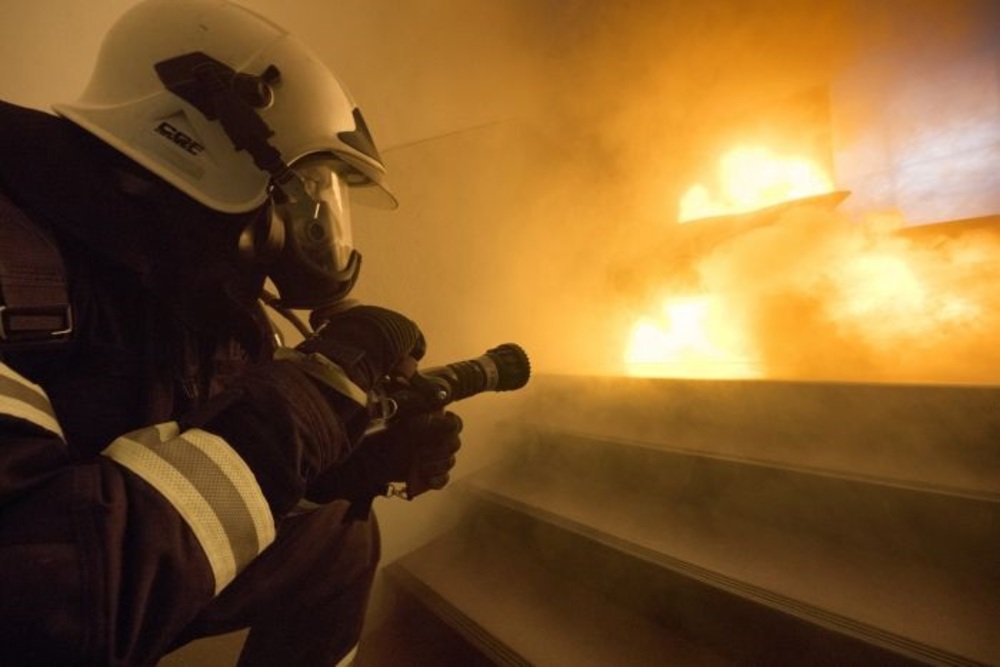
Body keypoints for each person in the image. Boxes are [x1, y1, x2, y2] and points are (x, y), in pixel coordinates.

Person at [0, 1, 463, 665]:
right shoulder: (17, 265)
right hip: (70, 609)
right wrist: (313, 397)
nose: (310, 233)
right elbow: (51, 609)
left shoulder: (169, 291)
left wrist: (338, 467)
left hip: (113, 580)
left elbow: (178, 461)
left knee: (338, 534)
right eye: (304, 198)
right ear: (206, 147)